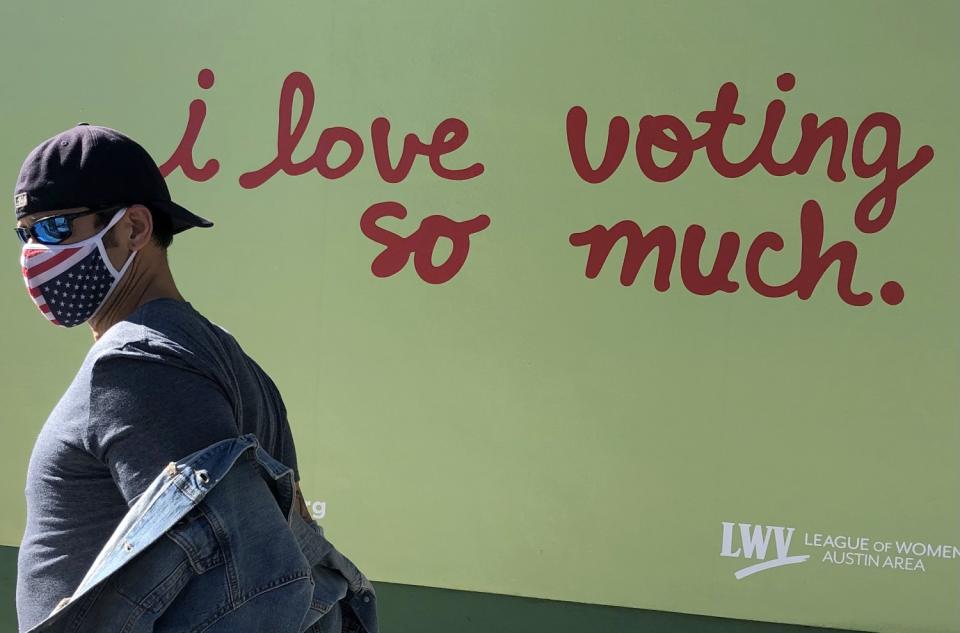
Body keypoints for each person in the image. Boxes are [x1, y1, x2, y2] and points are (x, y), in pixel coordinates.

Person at [12, 123, 307, 631]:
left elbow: (241, 585)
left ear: (134, 229)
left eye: (55, 228)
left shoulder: (138, 362)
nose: (34, 252)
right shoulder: (224, 360)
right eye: (26, 232)